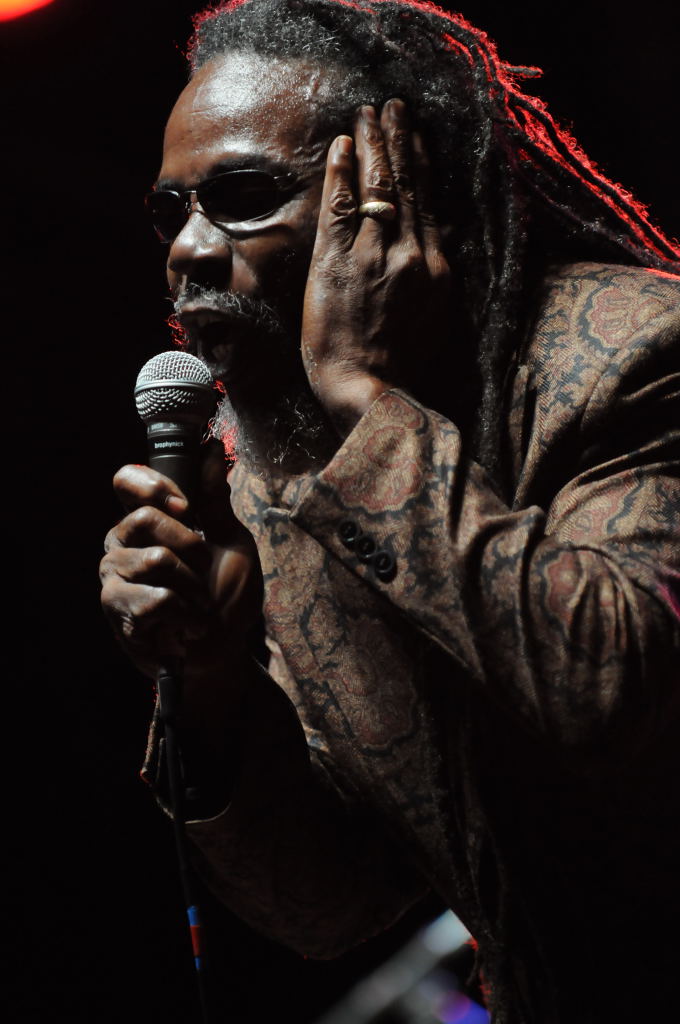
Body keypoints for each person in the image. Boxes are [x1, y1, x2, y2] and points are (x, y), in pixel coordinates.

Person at [99, 1, 680, 1020]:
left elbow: (607, 693)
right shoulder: (272, 490)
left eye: (241, 197)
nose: (187, 248)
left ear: (395, 197)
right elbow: (331, 905)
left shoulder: (637, 356)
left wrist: (366, 399)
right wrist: (217, 679)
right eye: (169, 211)